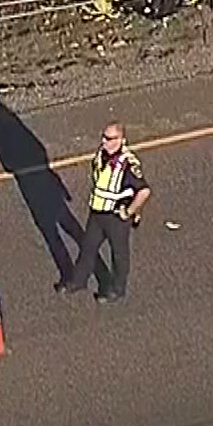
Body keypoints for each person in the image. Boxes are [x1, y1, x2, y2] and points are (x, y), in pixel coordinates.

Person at [56, 121, 151, 304]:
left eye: (109, 138)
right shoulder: (101, 156)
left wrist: (130, 212)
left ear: (121, 140)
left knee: (119, 254)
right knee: (88, 248)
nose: (104, 141)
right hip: (98, 213)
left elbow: (144, 191)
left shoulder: (128, 164)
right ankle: (78, 281)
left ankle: (117, 289)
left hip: (116, 216)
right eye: (103, 137)